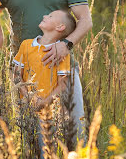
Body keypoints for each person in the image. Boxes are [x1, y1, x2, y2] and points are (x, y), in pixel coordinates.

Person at [0, 0, 93, 141]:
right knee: (32, 138)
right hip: (25, 76)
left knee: (73, 135)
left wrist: (66, 44)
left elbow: (85, 21)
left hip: (61, 70)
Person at [13, 9, 76, 157]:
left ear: (60, 27)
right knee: (26, 149)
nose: (44, 15)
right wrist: (29, 97)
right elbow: (16, 75)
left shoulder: (61, 52)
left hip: (49, 113)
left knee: (46, 150)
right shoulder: (27, 45)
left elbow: (63, 84)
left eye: (50, 16)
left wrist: (45, 102)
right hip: (25, 108)